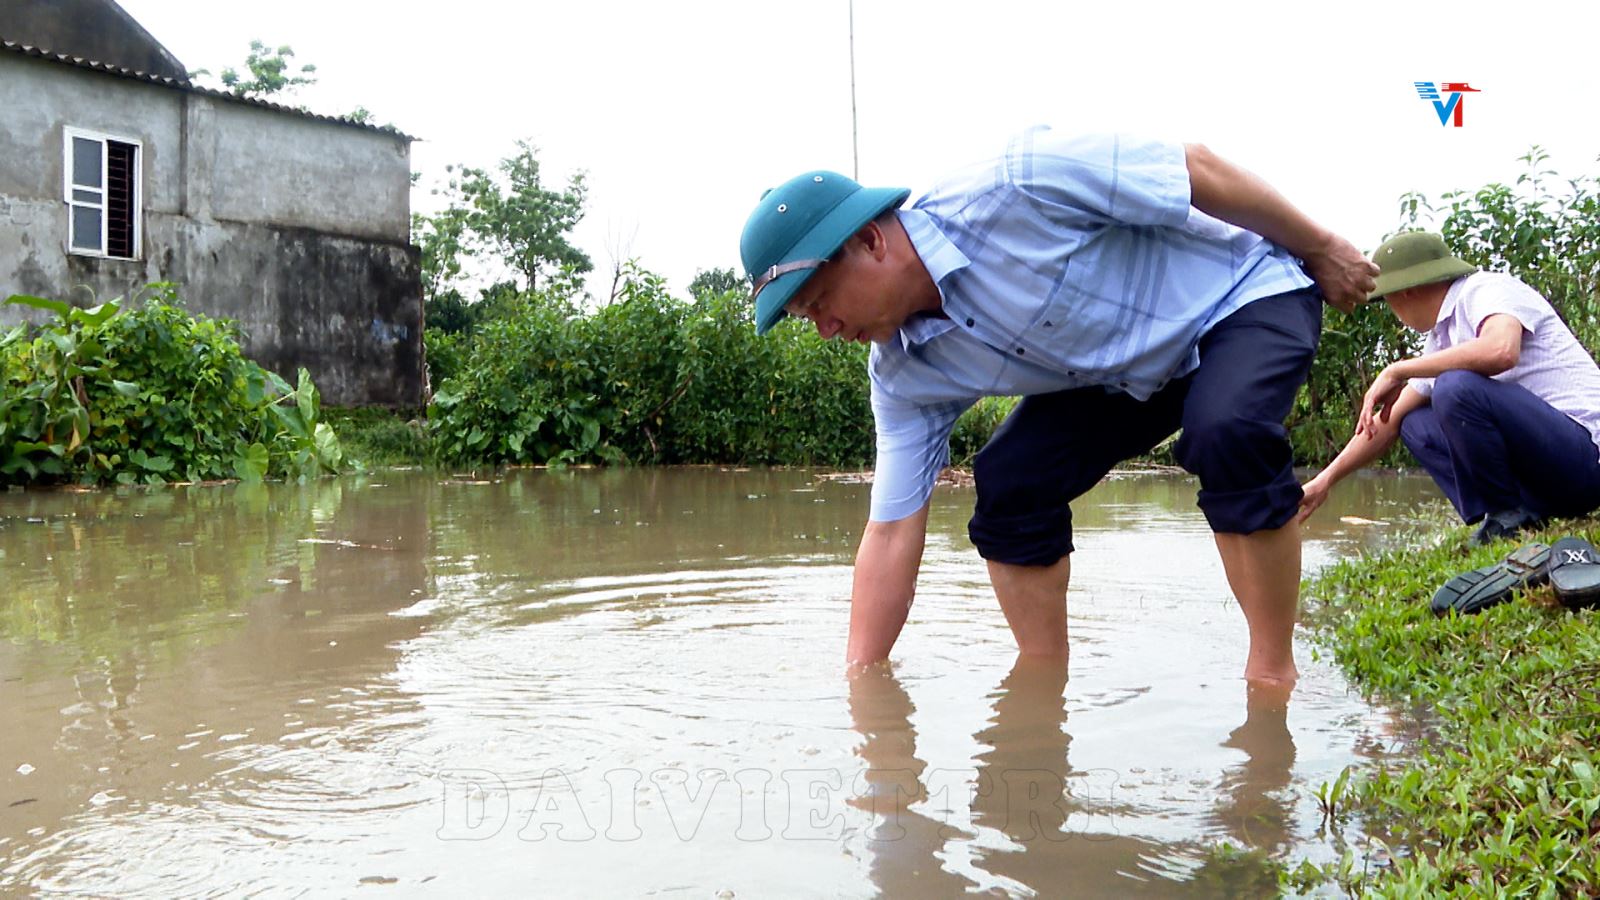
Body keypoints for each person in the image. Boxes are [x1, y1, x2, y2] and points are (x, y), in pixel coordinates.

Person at [738, 127, 1377, 687]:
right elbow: (891, 531)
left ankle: (1270, 674)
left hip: (1239, 296)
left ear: (871, 242)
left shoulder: (1018, 181)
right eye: (805, 319)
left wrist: (1321, 246)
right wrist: (862, 684)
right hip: (1127, 370)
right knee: (1010, 483)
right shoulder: (906, 373)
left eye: (820, 301)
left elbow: (1197, 169)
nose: (824, 329)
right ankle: (1043, 682)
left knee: (1227, 429)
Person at [1298, 231, 1600, 544]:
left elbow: (1501, 350)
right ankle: (1508, 514)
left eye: (1387, 300)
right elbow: (1385, 425)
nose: (1392, 311)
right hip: (1549, 479)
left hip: (1586, 458)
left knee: (1455, 386)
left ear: (1407, 292)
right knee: (1413, 423)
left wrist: (1398, 369)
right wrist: (1324, 482)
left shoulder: (1487, 289)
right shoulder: (1443, 337)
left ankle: (1506, 515)